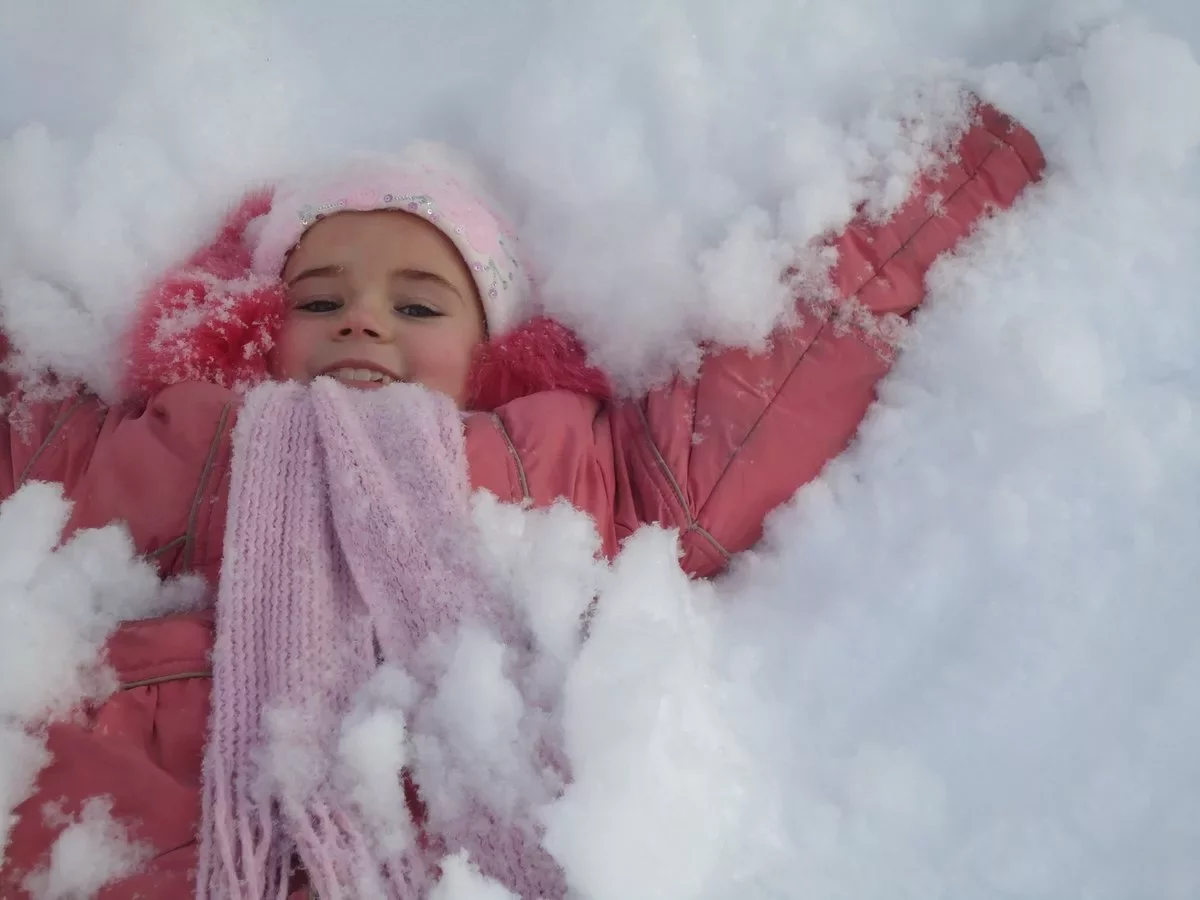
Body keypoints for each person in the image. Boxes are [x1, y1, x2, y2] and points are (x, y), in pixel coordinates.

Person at [0, 102, 1044, 899]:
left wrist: (934, 204)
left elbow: (760, 403)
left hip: (428, 781)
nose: (363, 321)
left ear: (489, 350)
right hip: (143, 779)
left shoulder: (542, 457)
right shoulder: (177, 438)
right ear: (257, 330)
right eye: (319, 299)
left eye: (416, 302)